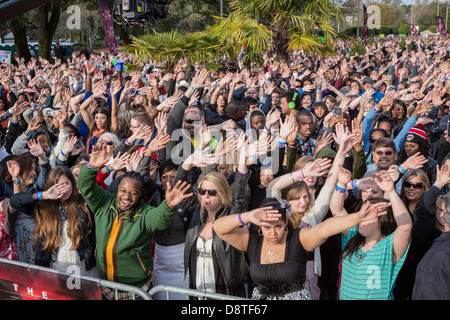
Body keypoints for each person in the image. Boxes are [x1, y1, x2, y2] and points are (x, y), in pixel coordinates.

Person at [212, 196, 392, 300]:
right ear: (259, 227)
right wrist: (247, 216)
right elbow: (218, 228)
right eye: (267, 227)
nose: (273, 233)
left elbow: (324, 229)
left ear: (286, 224)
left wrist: (358, 217)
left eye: (278, 226)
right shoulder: (251, 240)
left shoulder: (298, 239)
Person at [76, 140, 193, 300]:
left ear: (140, 195)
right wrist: (90, 168)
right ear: (117, 190)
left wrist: (169, 205)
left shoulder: (144, 214)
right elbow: (85, 186)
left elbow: (160, 220)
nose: (126, 196)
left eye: (133, 193)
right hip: (107, 289)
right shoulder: (104, 204)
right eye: (123, 190)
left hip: (136, 292)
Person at [330, 170, 412, 300]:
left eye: (368, 216)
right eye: (362, 215)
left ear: (382, 221)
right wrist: (341, 183)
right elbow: (336, 210)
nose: (361, 220)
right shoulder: (353, 235)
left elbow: (405, 226)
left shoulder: (389, 245)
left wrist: (390, 192)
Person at [9, 166, 97, 277]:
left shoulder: (83, 204)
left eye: (66, 184)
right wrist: (44, 195)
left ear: (72, 183)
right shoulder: (45, 206)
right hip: (54, 265)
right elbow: (14, 201)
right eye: (58, 185)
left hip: (82, 264)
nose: (63, 189)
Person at [412, 193, 450, 300]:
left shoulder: (446, 251)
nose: (442, 214)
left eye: (445, 210)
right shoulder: (437, 240)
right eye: (440, 209)